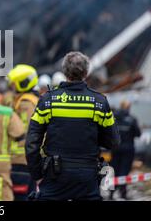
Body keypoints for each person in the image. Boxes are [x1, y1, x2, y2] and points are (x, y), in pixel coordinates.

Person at [26, 51, 120, 201]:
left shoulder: (48, 101)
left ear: (64, 71)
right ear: (86, 72)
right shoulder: (99, 102)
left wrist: (37, 175)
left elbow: (31, 143)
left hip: (54, 176)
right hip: (87, 177)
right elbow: (113, 141)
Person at [6, 64, 39, 200]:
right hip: (25, 159)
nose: (12, 87)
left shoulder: (26, 104)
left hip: (21, 159)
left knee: (20, 196)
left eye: (14, 84)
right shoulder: (27, 100)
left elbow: (26, 131)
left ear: (23, 83)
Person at [109, 100, 141, 200]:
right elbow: (138, 134)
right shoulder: (132, 119)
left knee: (114, 171)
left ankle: (111, 193)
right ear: (128, 108)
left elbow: (108, 131)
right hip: (128, 149)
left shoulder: (113, 118)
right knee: (124, 171)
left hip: (115, 148)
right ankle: (123, 193)